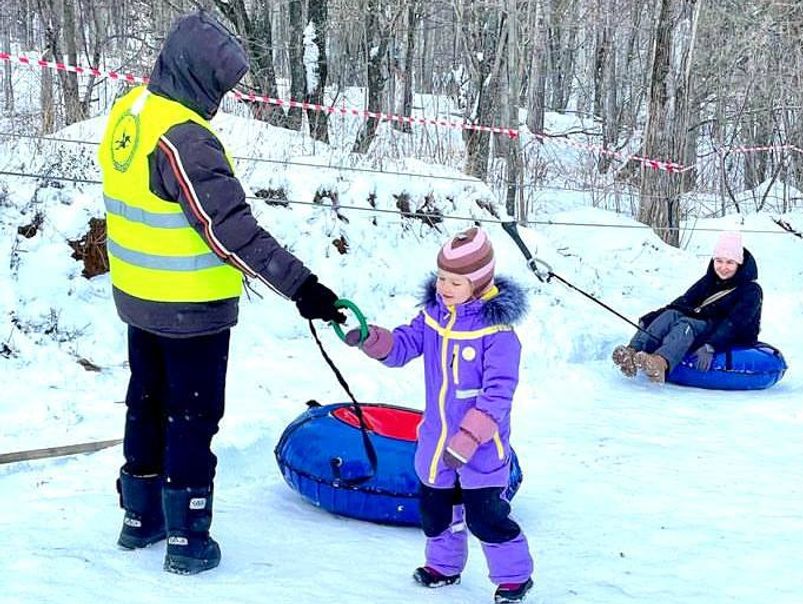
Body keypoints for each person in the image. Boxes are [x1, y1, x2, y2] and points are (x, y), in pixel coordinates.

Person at [97, 10, 345, 575]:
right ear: (196, 73)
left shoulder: (130, 112)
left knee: (147, 402)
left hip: (138, 298)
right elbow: (231, 230)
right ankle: (187, 536)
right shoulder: (184, 139)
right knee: (191, 415)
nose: (222, 97)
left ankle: (140, 519)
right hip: (191, 308)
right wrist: (304, 288)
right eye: (219, 84)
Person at [345, 227, 534, 604]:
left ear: (479, 283)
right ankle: (445, 567)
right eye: (442, 278)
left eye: (455, 281)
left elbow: (498, 396)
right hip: (435, 440)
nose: (444, 287)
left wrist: (469, 437)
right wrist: (373, 339)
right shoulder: (433, 317)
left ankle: (514, 578)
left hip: (481, 446)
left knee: (486, 516)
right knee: (435, 511)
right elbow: (402, 346)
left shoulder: (498, 333)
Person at [612, 231, 762, 383]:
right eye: (719, 261)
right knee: (671, 314)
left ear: (739, 263)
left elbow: (735, 323)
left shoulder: (751, 291)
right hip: (707, 324)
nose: (723, 267)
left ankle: (660, 363)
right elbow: (684, 302)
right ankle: (632, 352)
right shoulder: (710, 280)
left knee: (687, 324)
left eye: (730, 262)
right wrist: (652, 318)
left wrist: (711, 345)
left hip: (732, 333)